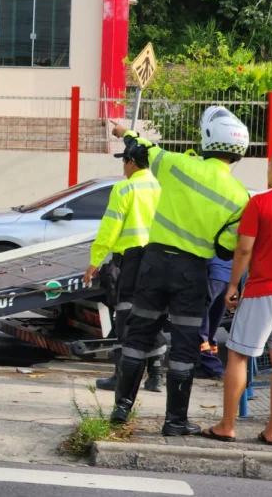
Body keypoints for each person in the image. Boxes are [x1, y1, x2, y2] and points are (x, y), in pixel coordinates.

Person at [110, 106, 250, 437]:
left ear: (207, 139)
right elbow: (225, 249)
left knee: (139, 334)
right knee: (185, 345)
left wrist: (124, 132)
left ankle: (120, 410)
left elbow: (141, 149)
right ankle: (175, 421)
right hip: (192, 273)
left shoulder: (176, 164)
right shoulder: (240, 196)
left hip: (154, 264)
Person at [201, 147, 272, 445]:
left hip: (264, 288)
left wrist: (233, 285)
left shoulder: (261, 202)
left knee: (239, 355)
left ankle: (227, 426)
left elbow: (243, 249)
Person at [83, 140, 165, 393]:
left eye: (124, 163)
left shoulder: (125, 188)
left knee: (125, 317)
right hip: (159, 260)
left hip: (130, 260)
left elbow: (110, 228)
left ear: (131, 163)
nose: (123, 168)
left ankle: (122, 376)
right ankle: (156, 375)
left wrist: (95, 261)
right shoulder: (163, 188)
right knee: (151, 315)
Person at [198, 256, 232, 379]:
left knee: (200, 324)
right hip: (227, 277)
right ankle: (205, 366)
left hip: (211, 275)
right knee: (211, 326)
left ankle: (214, 367)